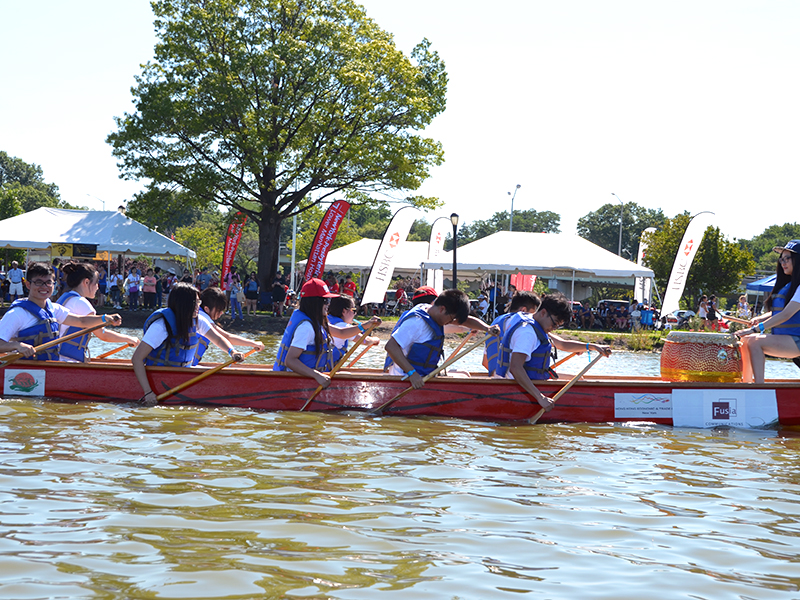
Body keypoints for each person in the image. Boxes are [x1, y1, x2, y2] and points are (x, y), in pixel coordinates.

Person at [495, 293, 612, 412]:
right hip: (518, 386)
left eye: (558, 326)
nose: (554, 328)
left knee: (579, 379)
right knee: (578, 383)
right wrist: (540, 398)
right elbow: (515, 368)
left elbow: (562, 344)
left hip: (532, 379)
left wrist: (591, 347)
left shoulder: (532, 320)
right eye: (554, 323)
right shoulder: (527, 333)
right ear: (543, 312)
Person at [132, 282, 244, 405]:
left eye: (198, 302)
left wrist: (232, 352)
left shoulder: (197, 320)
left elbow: (217, 339)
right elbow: (137, 358)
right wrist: (148, 392)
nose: (198, 306)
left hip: (183, 374)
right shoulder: (161, 325)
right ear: (183, 304)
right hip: (160, 376)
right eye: (195, 303)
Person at [0, 262, 123, 360]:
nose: (44, 287)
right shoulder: (16, 314)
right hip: (24, 374)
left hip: (50, 368)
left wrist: (104, 318)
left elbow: (81, 321)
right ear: (28, 285)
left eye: (48, 282)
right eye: (39, 282)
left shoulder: (53, 309)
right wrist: (17, 346)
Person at [384, 289, 499, 389]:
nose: (451, 322)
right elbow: (391, 346)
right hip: (406, 379)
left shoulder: (434, 311)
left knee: (464, 375)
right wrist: (412, 373)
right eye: (451, 318)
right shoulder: (416, 322)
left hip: (424, 376)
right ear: (442, 309)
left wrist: (487, 328)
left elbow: (465, 321)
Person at [736, 240, 800, 383]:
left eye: (787, 258)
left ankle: (759, 387)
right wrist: (761, 319)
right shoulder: (790, 286)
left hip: (796, 341)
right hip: (788, 339)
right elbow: (779, 313)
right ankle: (746, 383)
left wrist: (754, 329)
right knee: (745, 340)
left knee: (754, 342)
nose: (783, 262)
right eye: (781, 259)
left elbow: (786, 314)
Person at [272, 278, 350, 387]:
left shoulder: (316, 322)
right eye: (325, 301)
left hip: (307, 380)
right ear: (314, 303)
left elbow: (341, 333)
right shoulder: (306, 327)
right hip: (291, 383)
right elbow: (290, 360)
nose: (328, 305)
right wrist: (317, 376)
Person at [55, 262, 139, 362]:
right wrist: (129, 339)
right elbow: (103, 334)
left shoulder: (64, 298)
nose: (97, 287)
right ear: (86, 282)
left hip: (55, 356)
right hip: (67, 361)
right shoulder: (81, 303)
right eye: (95, 283)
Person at [193, 287, 264, 364]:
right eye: (219, 310)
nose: (221, 313)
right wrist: (254, 344)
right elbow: (226, 337)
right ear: (206, 309)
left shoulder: (199, 315)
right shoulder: (202, 319)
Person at [483, 290, 540, 376]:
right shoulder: (525, 326)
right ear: (523, 310)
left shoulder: (495, 324)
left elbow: (485, 362)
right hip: (516, 382)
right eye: (533, 313)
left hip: (496, 379)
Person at [327, 295, 380, 364]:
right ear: (344, 311)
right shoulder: (343, 326)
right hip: (325, 370)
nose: (355, 313)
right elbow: (366, 341)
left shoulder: (325, 321)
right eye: (353, 310)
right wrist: (376, 340)